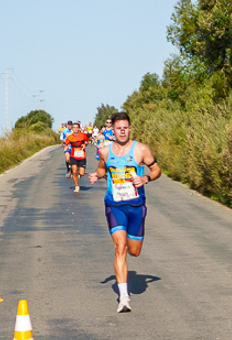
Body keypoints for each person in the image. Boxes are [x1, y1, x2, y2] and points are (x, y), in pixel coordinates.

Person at [88, 112, 160, 313]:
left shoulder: (141, 150)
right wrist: (96, 176)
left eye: (125, 128)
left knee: (134, 251)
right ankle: (124, 298)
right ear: (112, 130)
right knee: (120, 247)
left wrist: (145, 179)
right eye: (118, 128)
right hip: (114, 205)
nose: (122, 131)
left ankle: (130, 244)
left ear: (129, 129)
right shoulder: (105, 151)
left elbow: (157, 170)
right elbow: (102, 170)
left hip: (136, 206)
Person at [63, 122, 89, 193]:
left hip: (82, 156)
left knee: (82, 173)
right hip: (73, 156)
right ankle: (76, 186)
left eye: (77, 127)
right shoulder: (70, 137)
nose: (75, 129)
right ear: (72, 129)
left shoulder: (83, 135)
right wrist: (66, 147)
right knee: (74, 171)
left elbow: (87, 141)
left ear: (79, 128)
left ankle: (79, 174)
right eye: (74, 127)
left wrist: (85, 144)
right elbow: (66, 144)